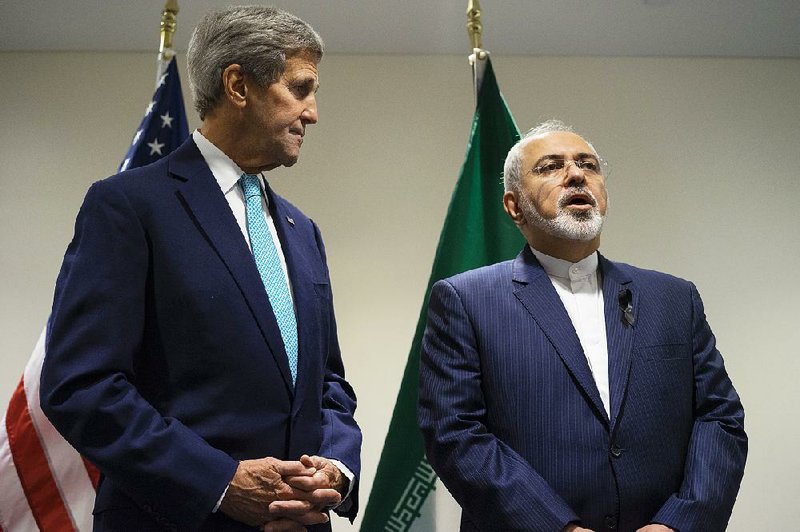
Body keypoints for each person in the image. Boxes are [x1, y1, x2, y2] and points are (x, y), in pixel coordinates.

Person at [40, 6, 361, 531]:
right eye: (300, 89)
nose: (313, 112)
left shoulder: (303, 231)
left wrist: (337, 468)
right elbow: (81, 385)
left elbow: (327, 384)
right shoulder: (128, 207)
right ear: (239, 85)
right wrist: (218, 482)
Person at [418, 120, 747, 532]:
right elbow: (456, 435)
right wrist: (559, 528)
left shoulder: (674, 298)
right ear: (514, 206)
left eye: (587, 165)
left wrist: (679, 523)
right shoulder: (465, 300)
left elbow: (720, 417)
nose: (576, 174)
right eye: (550, 167)